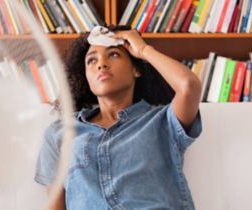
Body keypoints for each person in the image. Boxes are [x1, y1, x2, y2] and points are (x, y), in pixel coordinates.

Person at [35, 25, 202, 210]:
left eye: (113, 55)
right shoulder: (60, 133)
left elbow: (189, 86)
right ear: (86, 77)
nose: (101, 64)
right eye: (91, 60)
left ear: (136, 70)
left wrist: (143, 50)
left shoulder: (163, 121)